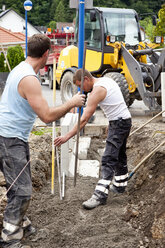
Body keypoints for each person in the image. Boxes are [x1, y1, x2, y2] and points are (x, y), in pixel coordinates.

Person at [0, 34, 85, 248]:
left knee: (17, 184)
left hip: (12, 135)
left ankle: (22, 224)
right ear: (47, 54)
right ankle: (9, 237)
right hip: (9, 138)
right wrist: (71, 102)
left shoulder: (21, 69)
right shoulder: (29, 78)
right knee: (22, 190)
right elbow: (46, 116)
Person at [54, 69, 132, 210]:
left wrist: (66, 136)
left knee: (108, 158)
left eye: (80, 85)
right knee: (119, 154)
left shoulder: (96, 91)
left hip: (119, 123)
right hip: (123, 120)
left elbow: (84, 120)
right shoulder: (105, 81)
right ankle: (120, 185)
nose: (81, 89)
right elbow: (115, 104)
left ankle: (99, 195)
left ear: (86, 79)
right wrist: (111, 122)